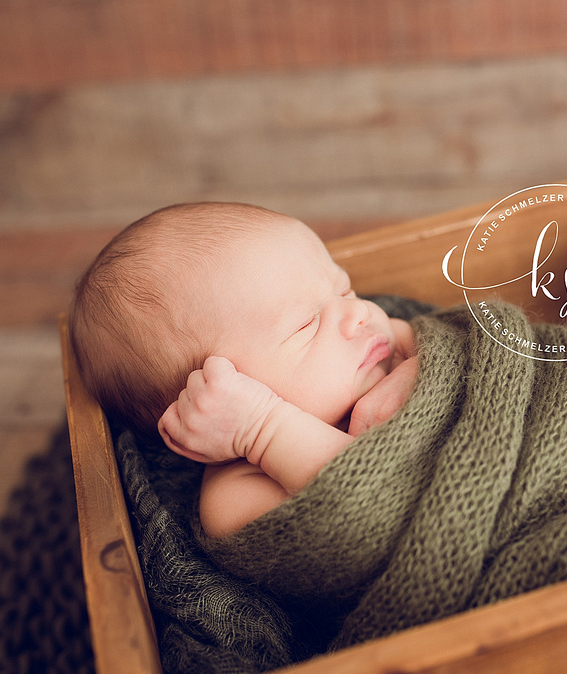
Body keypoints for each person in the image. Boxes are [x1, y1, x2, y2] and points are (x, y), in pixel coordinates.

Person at [69, 202, 420, 537]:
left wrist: (416, 365)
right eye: (305, 325)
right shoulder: (233, 497)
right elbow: (377, 504)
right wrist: (263, 427)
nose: (357, 312)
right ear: (210, 404)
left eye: (344, 289)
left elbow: (456, 345)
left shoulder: (373, 350)